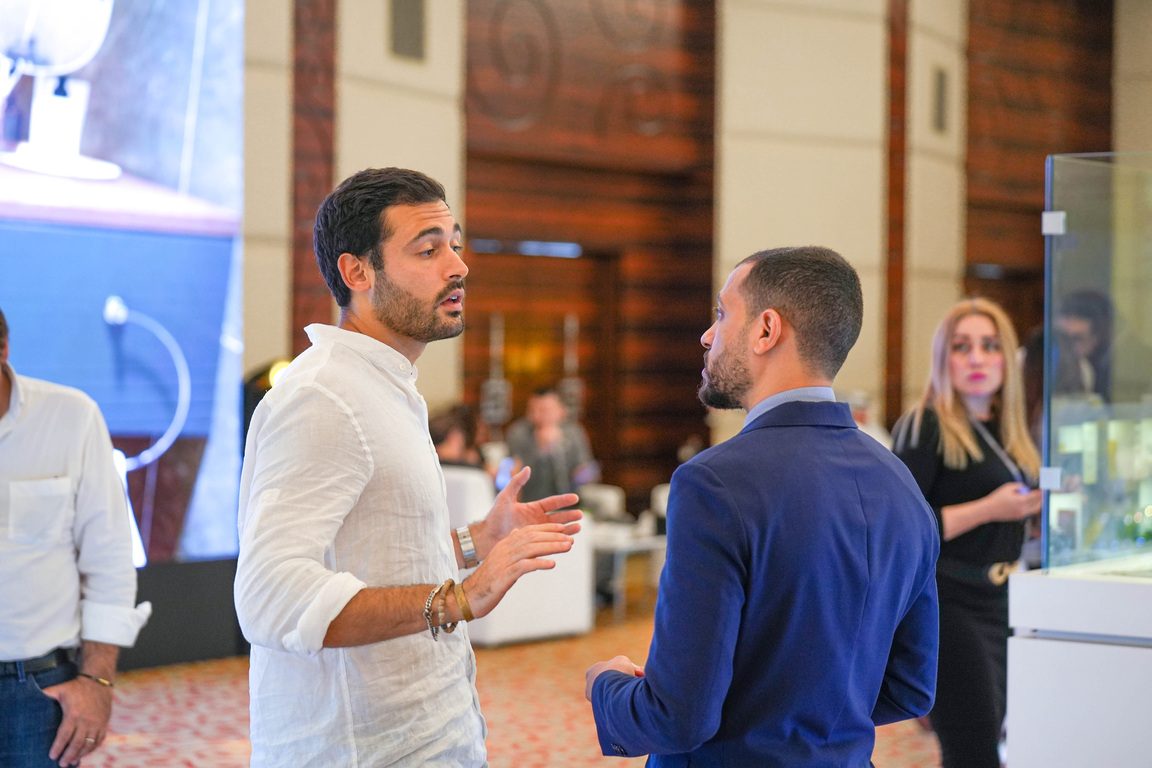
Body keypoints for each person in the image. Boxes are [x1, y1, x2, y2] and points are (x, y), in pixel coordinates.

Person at [234, 167, 582, 767]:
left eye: (455, 244)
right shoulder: (324, 397)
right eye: (428, 249)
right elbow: (270, 596)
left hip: (425, 734)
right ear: (357, 272)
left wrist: (475, 541)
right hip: (361, 750)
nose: (458, 266)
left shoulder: (384, 386)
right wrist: (459, 598)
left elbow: (375, 554)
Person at [585, 246, 940, 766]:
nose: (707, 336)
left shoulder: (713, 484)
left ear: (766, 330)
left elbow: (677, 718)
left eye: (722, 313)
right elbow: (910, 689)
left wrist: (605, 685)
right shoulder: (901, 484)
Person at [892, 297, 1042, 768]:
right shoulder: (925, 426)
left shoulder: (1009, 429)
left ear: (1007, 358)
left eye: (990, 346)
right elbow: (902, 530)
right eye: (962, 347)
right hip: (948, 603)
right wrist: (990, 509)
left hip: (1004, 599)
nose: (977, 358)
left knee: (988, 740)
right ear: (944, 358)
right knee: (974, 750)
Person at [0, 307, 151, 768]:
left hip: (34, 689)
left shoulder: (70, 417)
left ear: (3, 350)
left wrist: (98, 681)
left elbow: (108, 559)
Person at [505, 385, 598, 502]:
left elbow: (586, 467)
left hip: (572, 496)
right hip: (531, 499)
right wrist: (541, 449)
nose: (537, 415)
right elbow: (512, 475)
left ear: (562, 411)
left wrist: (582, 473)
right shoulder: (518, 433)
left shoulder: (573, 432)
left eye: (545, 410)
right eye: (532, 410)